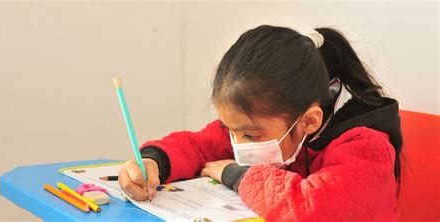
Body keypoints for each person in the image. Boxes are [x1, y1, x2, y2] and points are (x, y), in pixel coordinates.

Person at [118, 25, 402, 221]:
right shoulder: (261, 121)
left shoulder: (367, 147)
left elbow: (313, 210)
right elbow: (198, 145)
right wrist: (154, 162)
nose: (238, 146)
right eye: (231, 131)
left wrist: (235, 174)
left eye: (250, 136)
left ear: (309, 121)